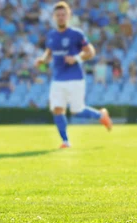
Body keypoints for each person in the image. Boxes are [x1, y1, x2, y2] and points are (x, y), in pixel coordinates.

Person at [35, 1, 112, 149]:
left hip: (75, 77)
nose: (61, 17)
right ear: (54, 17)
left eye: (63, 14)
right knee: (57, 109)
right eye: (58, 15)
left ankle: (101, 116)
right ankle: (65, 141)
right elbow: (49, 53)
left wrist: (75, 58)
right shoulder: (51, 35)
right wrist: (42, 59)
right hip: (57, 78)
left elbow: (91, 52)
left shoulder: (76, 34)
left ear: (68, 16)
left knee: (77, 110)